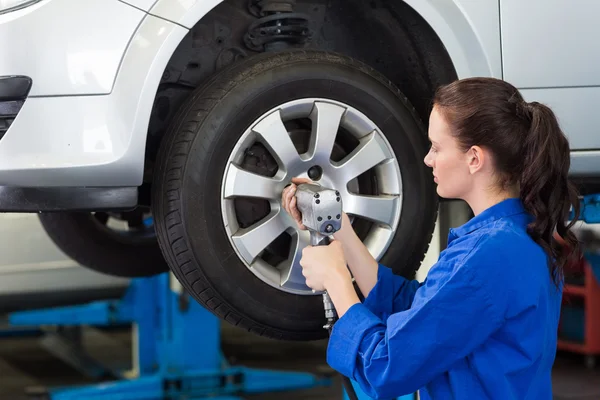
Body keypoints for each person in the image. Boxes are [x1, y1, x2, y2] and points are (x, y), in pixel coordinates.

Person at [281, 77, 581, 400]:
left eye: (437, 147)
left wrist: (337, 281)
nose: (428, 159)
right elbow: (423, 312)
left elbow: (387, 368)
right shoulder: (513, 237)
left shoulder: (489, 256)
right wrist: (337, 225)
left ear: (474, 159)